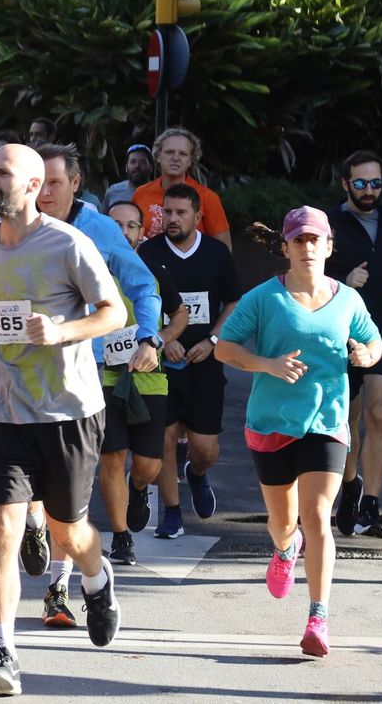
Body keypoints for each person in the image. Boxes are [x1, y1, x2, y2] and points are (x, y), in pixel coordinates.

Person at [0, 144, 123, 697]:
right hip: (1, 410)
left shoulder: (69, 243)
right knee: (1, 527)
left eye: (2, 173)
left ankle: (96, 580)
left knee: (70, 533)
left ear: (33, 185)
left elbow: (113, 311)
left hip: (68, 409)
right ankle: (3, 654)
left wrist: (63, 331)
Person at [215, 207, 381, 655]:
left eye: (315, 241)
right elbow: (225, 349)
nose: (308, 248)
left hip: (327, 422)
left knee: (317, 516)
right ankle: (286, 549)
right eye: (299, 241)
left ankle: (318, 618)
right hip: (271, 421)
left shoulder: (348, 299)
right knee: (284, 522)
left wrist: (366, 355)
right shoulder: (263, 298)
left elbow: (373, 340)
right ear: (285, 247)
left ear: (329, 247)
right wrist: (266, 364)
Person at [29, 143, 161, 621]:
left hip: (84, 376)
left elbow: (143, 285)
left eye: (53, 183)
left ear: (75, 183)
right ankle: (32, 524)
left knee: (68, 488)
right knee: (28, 484)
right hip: (23, 374)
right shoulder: (10, 231)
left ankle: (58, 589)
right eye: (35, 183)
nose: (42, 193)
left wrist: (149, 337)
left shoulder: (100, 231)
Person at [137, 182, 241, 540]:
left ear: (198, 216)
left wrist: (213, 340)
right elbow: (136, 304)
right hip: (162, 362)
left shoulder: (216, 254)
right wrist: (165, 341)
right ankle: (172, 512)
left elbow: (233, 302)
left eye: (181, 212)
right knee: (164, 438)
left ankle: (197, 475)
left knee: (205, 448)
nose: (172, 218)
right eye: (167, 211)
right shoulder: (147, 253)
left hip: (206, 361)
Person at [324, 151, 382, 539]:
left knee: (378, 413)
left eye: (375, 183)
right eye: (360, 183)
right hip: (342, 334)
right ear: (345, 183)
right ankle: (350, 484)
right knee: (346, 418)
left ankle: (371, 507)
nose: (369, 191)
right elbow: (311, 273)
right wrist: (344, 278)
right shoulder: (329, 222)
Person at [98, 200, 188, 566]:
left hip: (149, 378)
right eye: (115, 224)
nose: (123, 232)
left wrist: (159, 340)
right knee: (112, 457)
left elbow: (180, 313)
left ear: (141, 232)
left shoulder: (153, 269)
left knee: (149, 466)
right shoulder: (88, 266)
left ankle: (138, 490)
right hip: (102, 376)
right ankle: (121, 537)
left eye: (131, 226)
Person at [132, 127, 231, 247]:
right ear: (158, 156)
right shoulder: (141, 194)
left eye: (183, 154)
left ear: (190, 160)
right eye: (170, 152)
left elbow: (223, 250)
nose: (175, 158)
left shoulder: (207, 198)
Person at [103, 144, 154, 210]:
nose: (137, 166)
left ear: (151, 168)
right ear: (126, 167)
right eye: (133, 162)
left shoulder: (160, 192)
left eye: (142, 162)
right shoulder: (112, 192)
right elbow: (102, 219)